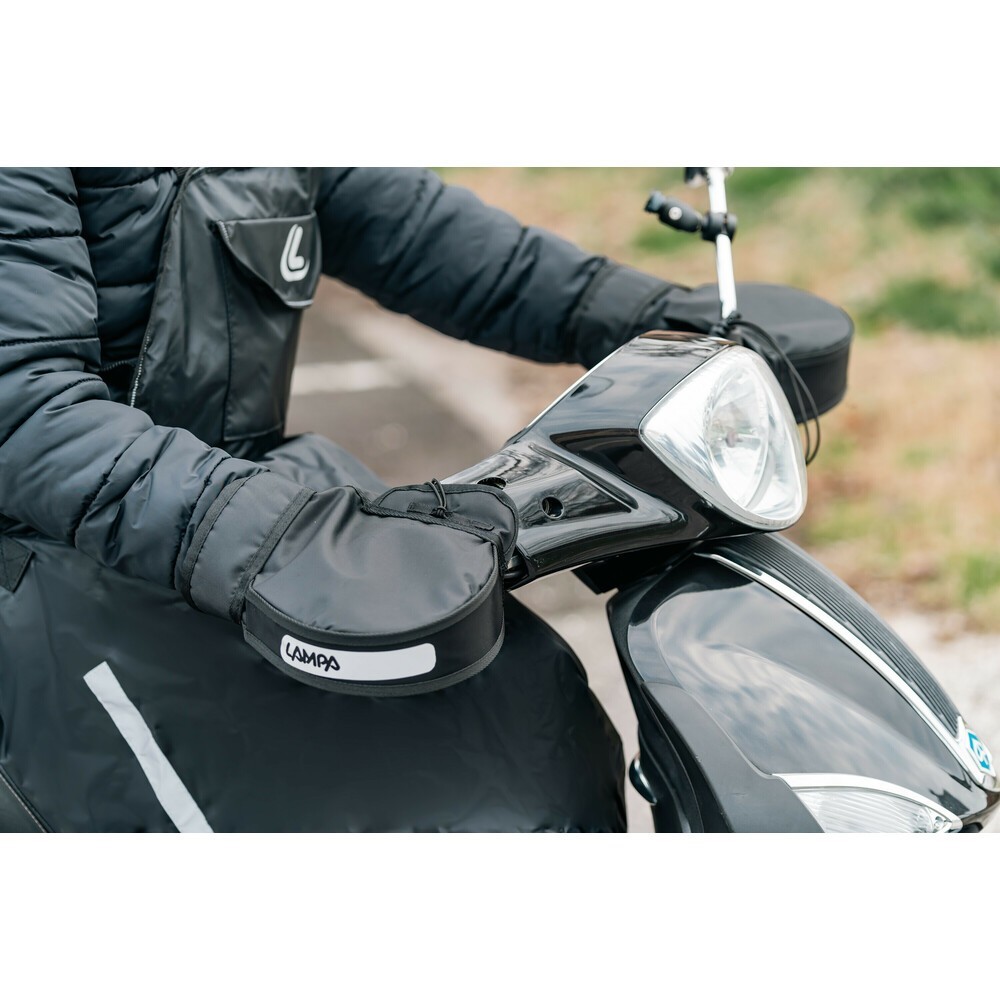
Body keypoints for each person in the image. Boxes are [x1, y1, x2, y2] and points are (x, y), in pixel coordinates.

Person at [0, 168, 714, 832]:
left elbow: (414, 230)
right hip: (56, 568)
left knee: (537, 739)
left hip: (249, 516)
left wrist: (660, 316)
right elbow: (24, 405)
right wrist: (271, 534)